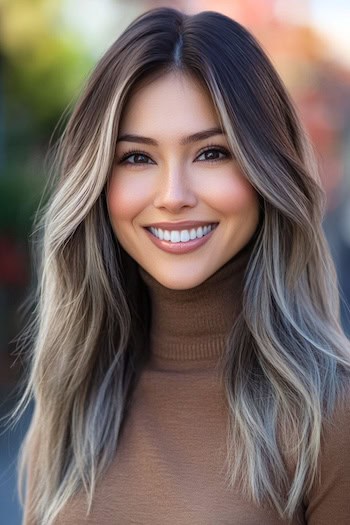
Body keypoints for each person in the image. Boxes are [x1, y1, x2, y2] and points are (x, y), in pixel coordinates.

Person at [17, 7, 350, 525]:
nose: (173, 196)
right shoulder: (73, 399)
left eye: (212, 153)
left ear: (267, 170)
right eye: (137, 158)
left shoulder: (331, 415)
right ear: (98, 184)